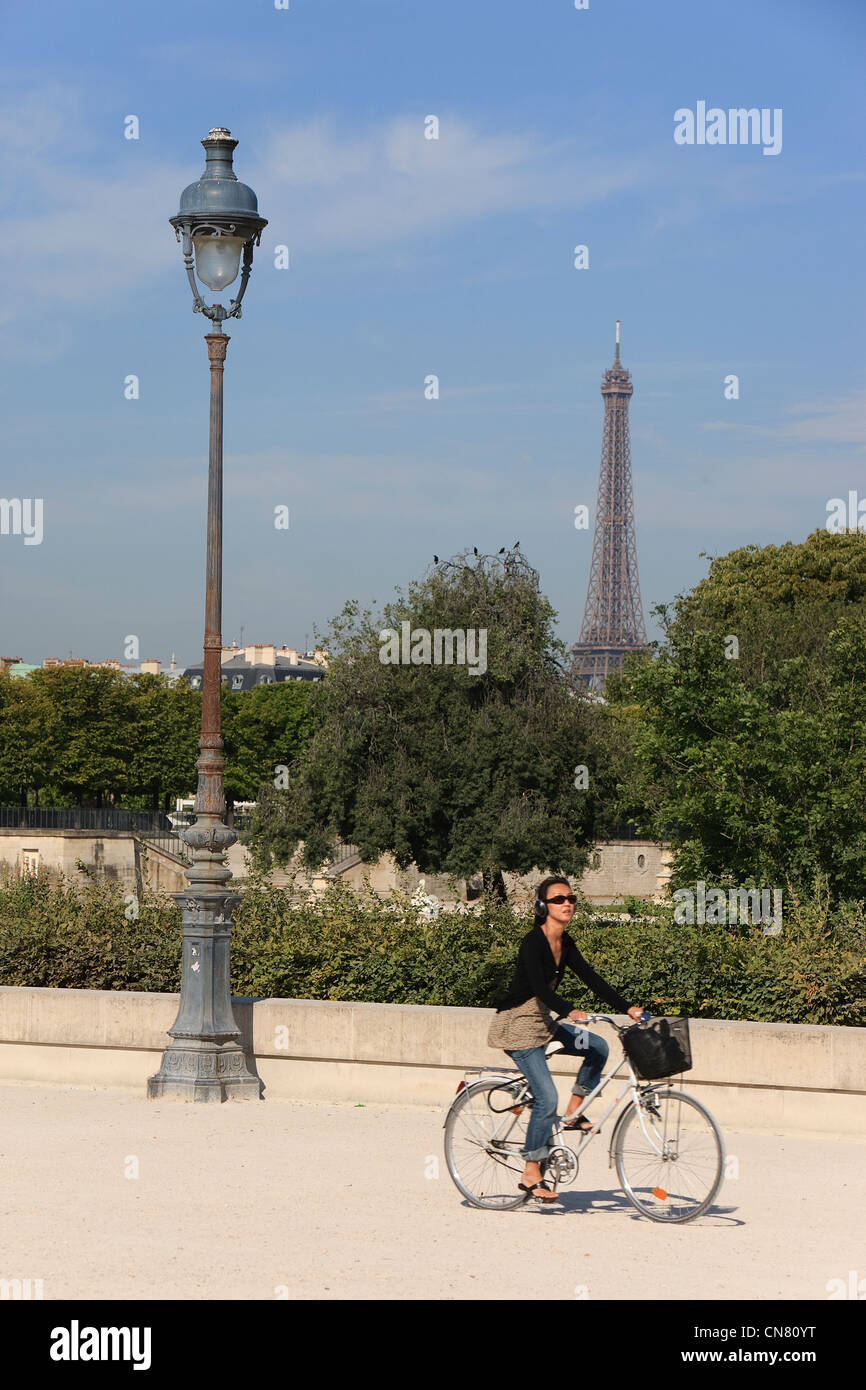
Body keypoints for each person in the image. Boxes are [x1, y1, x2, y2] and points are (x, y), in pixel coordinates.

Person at [487, 875, 645, 1201]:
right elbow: (539, 988)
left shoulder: (566, 942)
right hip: (518, 1026)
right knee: (546, 1098)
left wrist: (626, 1007)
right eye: (559, 899)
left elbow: (592, 979)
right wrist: (570, 1010)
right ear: (543, 906)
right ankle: (531, 1171)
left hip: (544, 1022)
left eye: (571, 898)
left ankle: (573, 1113)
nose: (567, 903)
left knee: (597, 1046)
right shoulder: (533, 941)